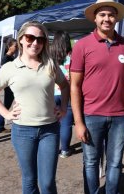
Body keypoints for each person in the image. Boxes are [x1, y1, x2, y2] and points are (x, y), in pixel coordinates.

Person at [0, 21, 70, 194]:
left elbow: (65, 85)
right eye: (30, 37)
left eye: (40, 39)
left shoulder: (50, 64)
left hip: (50, 129)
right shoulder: (9, 68)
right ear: (21, 40)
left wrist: (63, 108)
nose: (35, 43)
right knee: (29, 180)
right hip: (22, 131)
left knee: (47, 183)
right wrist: (6, 114)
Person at [70, 0, 124, 194]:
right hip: (91, 115)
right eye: (103, 15)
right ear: (95, 18)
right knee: (90, 163)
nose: (107, 19)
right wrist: (79, 122)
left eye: (111, 15)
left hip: (120, 116)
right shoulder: (82, 45)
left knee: (115, 164)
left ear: (117, 18)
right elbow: (74, 86)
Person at [50, 30, 74, 158]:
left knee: (52, 123)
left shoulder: (49, 56)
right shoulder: (72, 55)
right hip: (67, 93)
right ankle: (64, 150)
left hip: (51, 93)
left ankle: (51, 148)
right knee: (66, 123)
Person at [0, 38, 18, 133]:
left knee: (7, 105)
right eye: (15, 46)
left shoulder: (12, 58)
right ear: (9, 47)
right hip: (9, 87)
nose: (16, 48)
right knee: (6, 106)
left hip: (11, 86)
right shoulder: (6, 59)